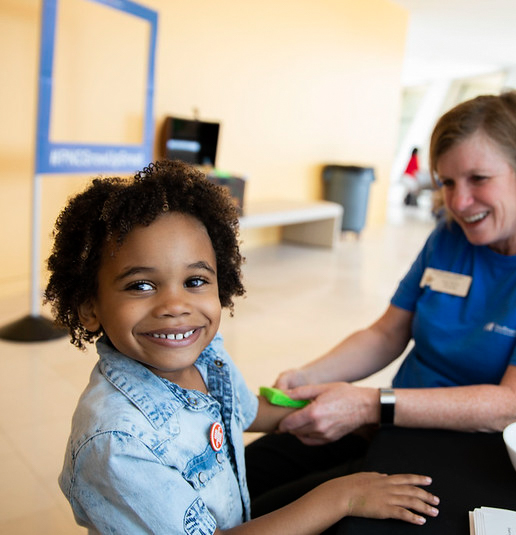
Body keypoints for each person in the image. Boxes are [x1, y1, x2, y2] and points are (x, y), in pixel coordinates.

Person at [245, 91, 516, 506]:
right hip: (394, 427)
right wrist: (309, 376)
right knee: (242, 477)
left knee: (275, 514)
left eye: (478, 179)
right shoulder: (450, 236)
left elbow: (514, 406)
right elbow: (387, 333)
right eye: (447, 182)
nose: (458, 203)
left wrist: (371, 405)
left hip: (478, 459)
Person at [46, 160, 439, 534]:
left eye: (195, 281)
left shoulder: (206, 353)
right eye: (141, 285)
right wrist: (343, 497)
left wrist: (324, 409)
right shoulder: (117, 443)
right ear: (89, 308)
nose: (175, 306)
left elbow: (244, 411)